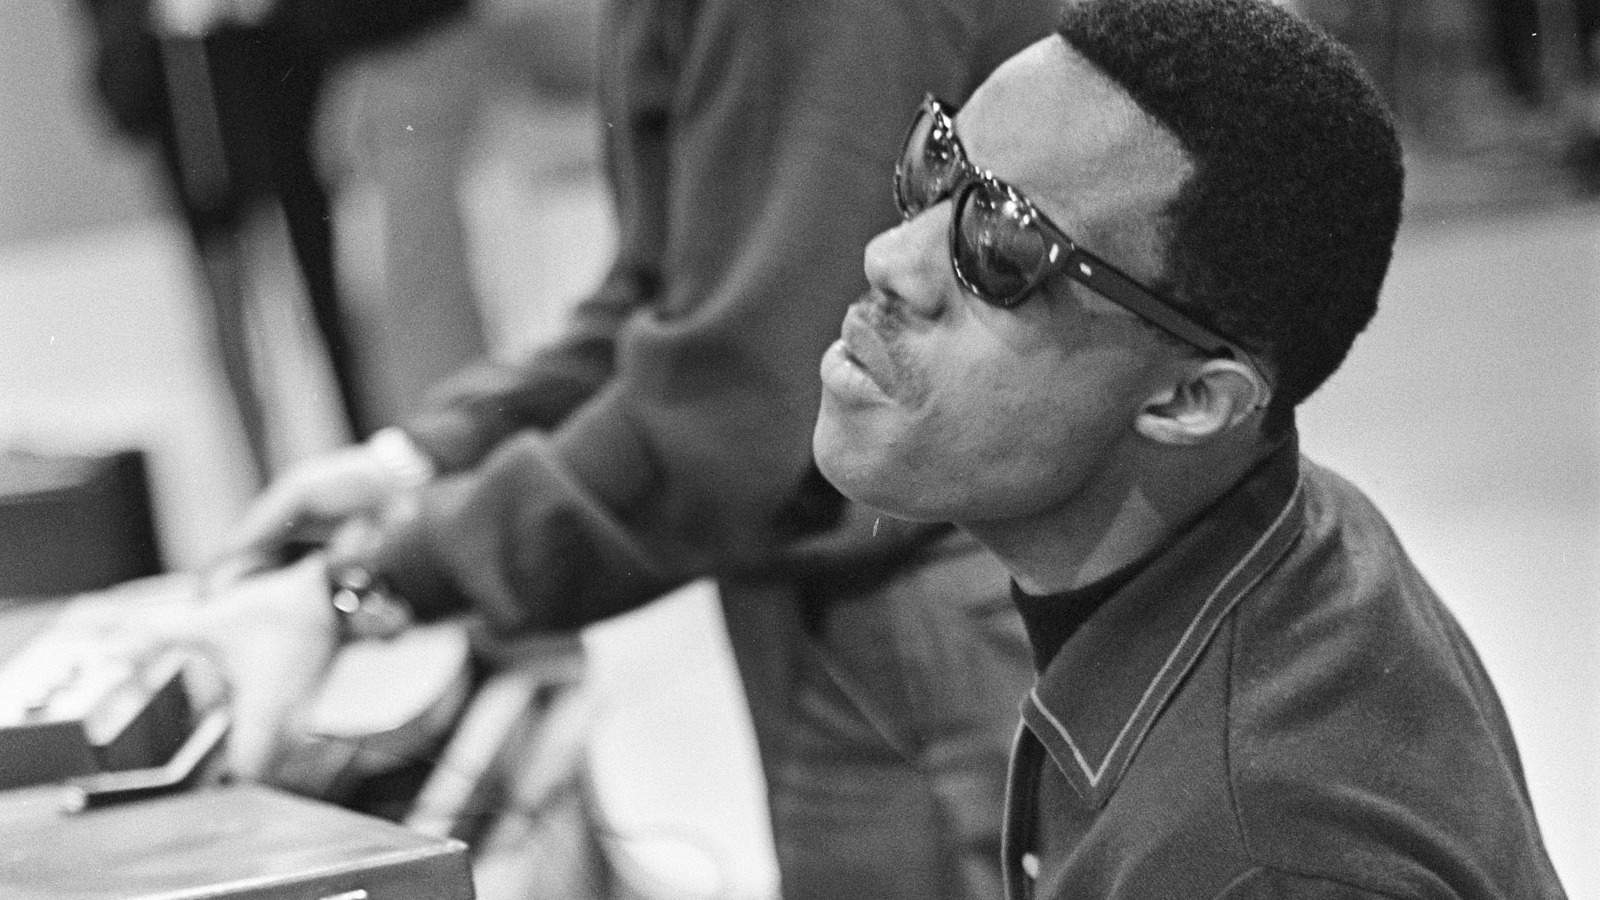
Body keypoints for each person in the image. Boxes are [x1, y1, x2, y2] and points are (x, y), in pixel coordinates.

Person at [225, 0, 1059, 897]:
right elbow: (665, 297)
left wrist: (372, 582)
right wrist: (422, 461)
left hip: (920, 618)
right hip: (848, 595)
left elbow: (742, 407)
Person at [811, 1, 1569, 896]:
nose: (889, 258)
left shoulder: (1251, 856)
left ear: (1191, 399)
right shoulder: (1296, 531)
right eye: (936, 166)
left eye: (1002, 241)